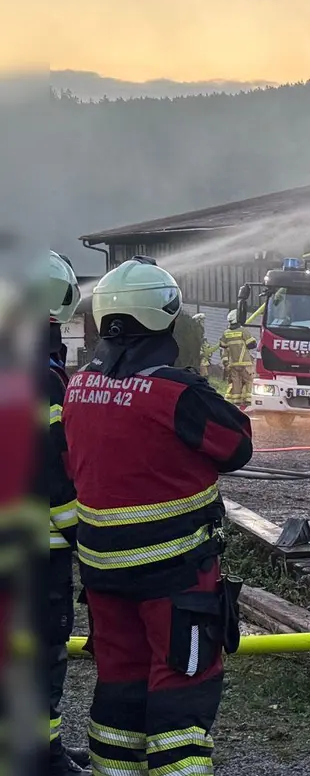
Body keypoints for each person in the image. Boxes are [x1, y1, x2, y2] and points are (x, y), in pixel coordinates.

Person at [62, 257, 252, 776]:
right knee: (181, 684)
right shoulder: (178, 394)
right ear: (165, 315)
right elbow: (236, 445)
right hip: (174, 572)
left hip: (102, 571)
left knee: (120, 681)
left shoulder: (78, 386)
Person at [31, 251, 90, 774]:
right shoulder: (41, 376)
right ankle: (41, 754)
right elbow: (52, 467)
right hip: (38, 548)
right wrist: (82, 536)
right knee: (44, 649)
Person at [219, 310, 257, 406]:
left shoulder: (226, 333)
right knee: (249, 380)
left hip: (233, 363)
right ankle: (248, 399)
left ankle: (236, 401)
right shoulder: (243, 331)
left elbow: (222, 346)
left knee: (236, 382)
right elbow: (252, 344)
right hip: (245, 362)